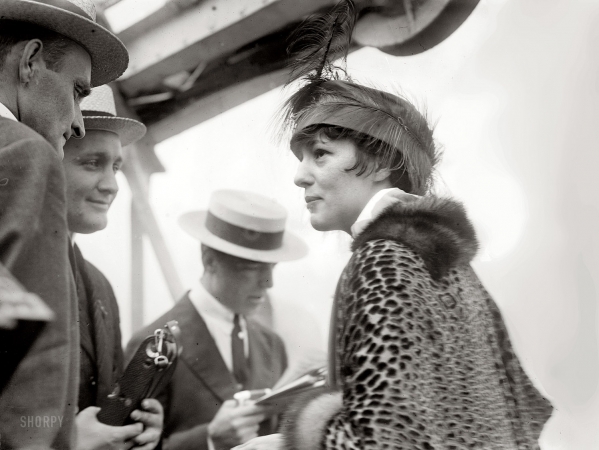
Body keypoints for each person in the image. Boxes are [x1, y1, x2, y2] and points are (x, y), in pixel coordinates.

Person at [235, 2, 553, 449]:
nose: (300, 175)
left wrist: (300, 429)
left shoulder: (383, 261)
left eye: (321, 154)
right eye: (301, 158)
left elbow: (385, 439)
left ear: (382, 162)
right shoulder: (450, 268)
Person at [0, 0, 128, 448]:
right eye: (77, 91)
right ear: (30, 62)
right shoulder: (22, 153)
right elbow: (34, 376)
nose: (77, 123)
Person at [126, 189, 308, 450]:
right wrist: (209, 439)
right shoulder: (152, 345)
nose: (269, 283)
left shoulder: (272, 345)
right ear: (209, 260)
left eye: (272, 268)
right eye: (253, 268)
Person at [62, 85, 164, 450]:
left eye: (117, 166)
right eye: (92, 163)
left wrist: (135, 431)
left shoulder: (100, 286)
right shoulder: (10, 269)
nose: (112, 186)